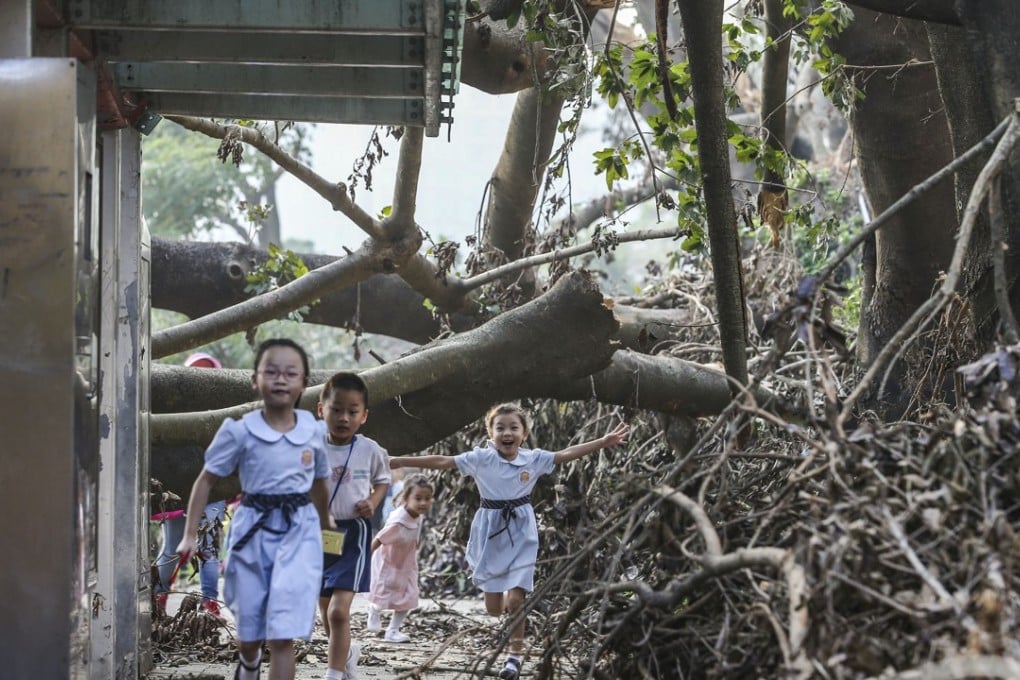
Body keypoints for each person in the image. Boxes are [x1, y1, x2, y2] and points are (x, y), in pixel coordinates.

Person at [389, 403, 629, 680]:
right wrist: (403, 460)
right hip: (489, 532)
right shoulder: (481, 458)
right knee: (494, 609)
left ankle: (513, 658)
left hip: (522, 532)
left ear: (524, 433)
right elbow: (444, 461)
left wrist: (603, 441)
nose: (507, 432)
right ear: (490, 433)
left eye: (514, 427)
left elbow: (565, 454)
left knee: (517, 600)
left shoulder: (532, 459)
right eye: (500, 427)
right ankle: (507, 608)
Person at [177, 339, 332, 680]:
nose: (280, 379)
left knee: (282, 635)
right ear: (254, 380)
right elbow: (204, 481)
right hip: (252, 532)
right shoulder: (239, 430)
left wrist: (328, 529)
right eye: (271, 371)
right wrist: (189, 535)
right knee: (250, 636)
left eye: (290, 373)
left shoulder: (314, 432)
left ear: (304, 382)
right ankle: (248, 661)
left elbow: (320, 484)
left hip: (299, 535)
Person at [317, 372, 391, 680]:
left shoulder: (370, 449)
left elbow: (383, 481)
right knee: (324, 613)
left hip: (354, 536)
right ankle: (347, 655)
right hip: (318, 535)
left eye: (352, 411)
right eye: (336, 409)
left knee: (338, 611)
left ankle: (334, 675)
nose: (343, 417)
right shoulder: (310, 447)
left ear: (364, 416)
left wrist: (373, 503)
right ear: (321, 410)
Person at [153, 352, 228, 618]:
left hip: (187, 490)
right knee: (207, 547)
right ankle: (208, 605)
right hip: (204, 490)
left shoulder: (172, 406)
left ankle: (160, 597)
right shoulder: (222, 408)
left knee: (177, 546)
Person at [366, 474, 434, 643]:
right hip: (388, 563)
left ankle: (393, 630)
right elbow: (378, 540)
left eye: (427, 498)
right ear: (406, 498)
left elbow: (416, 535)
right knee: (383, 596)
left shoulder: (418, 515)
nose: (423, 503)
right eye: (418, 498)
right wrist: (364, 559)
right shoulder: (398, 522)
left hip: (407, 563)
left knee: (409, 597)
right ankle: (374, 610)